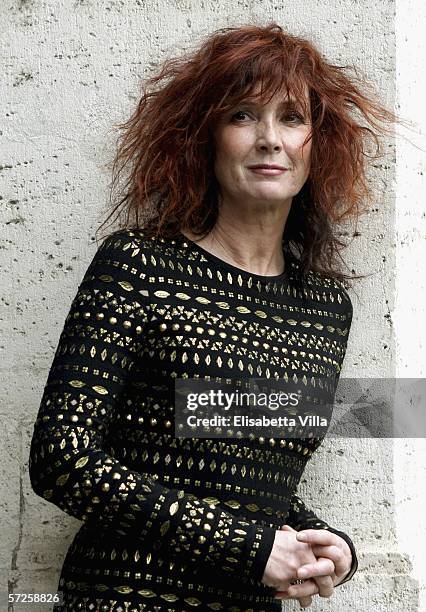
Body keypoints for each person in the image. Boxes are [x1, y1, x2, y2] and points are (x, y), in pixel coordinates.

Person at [29, 23, 398, 611]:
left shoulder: (326, 308)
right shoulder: (140, 265)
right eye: (243, 115)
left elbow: (251, 476)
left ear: (318, 144)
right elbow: (62, 458)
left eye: (292, 118)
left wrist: (325, 547)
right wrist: (250, 547)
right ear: (206, 137)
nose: (269, 139)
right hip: (125, 596)